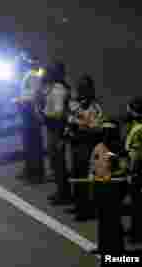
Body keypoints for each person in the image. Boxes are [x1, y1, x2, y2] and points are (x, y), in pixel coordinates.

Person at [66, 75, 104, 221]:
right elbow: (71, 119)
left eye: (83, 89)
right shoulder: (77, 104)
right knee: (76, 176)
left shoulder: (94, 108)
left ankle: (85, 210)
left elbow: (97, 129)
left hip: (86, 146)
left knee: (83, 178)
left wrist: (80, 127)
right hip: (76, 144)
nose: (80, 91)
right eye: (79, 88)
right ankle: (78, 204)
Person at [90, 121, 126, 257]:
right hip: (100, 186)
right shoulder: (99, 146)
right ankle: (103, 247)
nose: (106, 134)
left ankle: (117, 250)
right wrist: (92, 175)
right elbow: (93, 163)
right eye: (104, 131)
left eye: (109, 131)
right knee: (102, 219)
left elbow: (123, 168)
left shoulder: (119, 149)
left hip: (113, 187)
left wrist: (111, 176)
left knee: (113, 220)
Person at [42, 62, 72, 205]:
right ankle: (61, 191)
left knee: (58, 163)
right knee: (55, 162)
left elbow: (60, 114)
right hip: (52, 129)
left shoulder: (58, 90)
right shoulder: (53, 88)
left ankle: (64, 193)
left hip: (56, 130)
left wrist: (46, 115)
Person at [13, 54, 46, 184]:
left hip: (31, 111)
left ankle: (35, 173)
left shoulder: (34, 76)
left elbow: (33, 96)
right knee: (28, 142)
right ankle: (30, 170)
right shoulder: (31, 74)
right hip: (29, 110)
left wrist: (20, 101)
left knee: (32, 143)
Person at [126, 97, 142, 244]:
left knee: (137, 204)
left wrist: (131, 172)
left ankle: (137, 233)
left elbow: (135, 155)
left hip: (138, 171)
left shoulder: (137, 130)